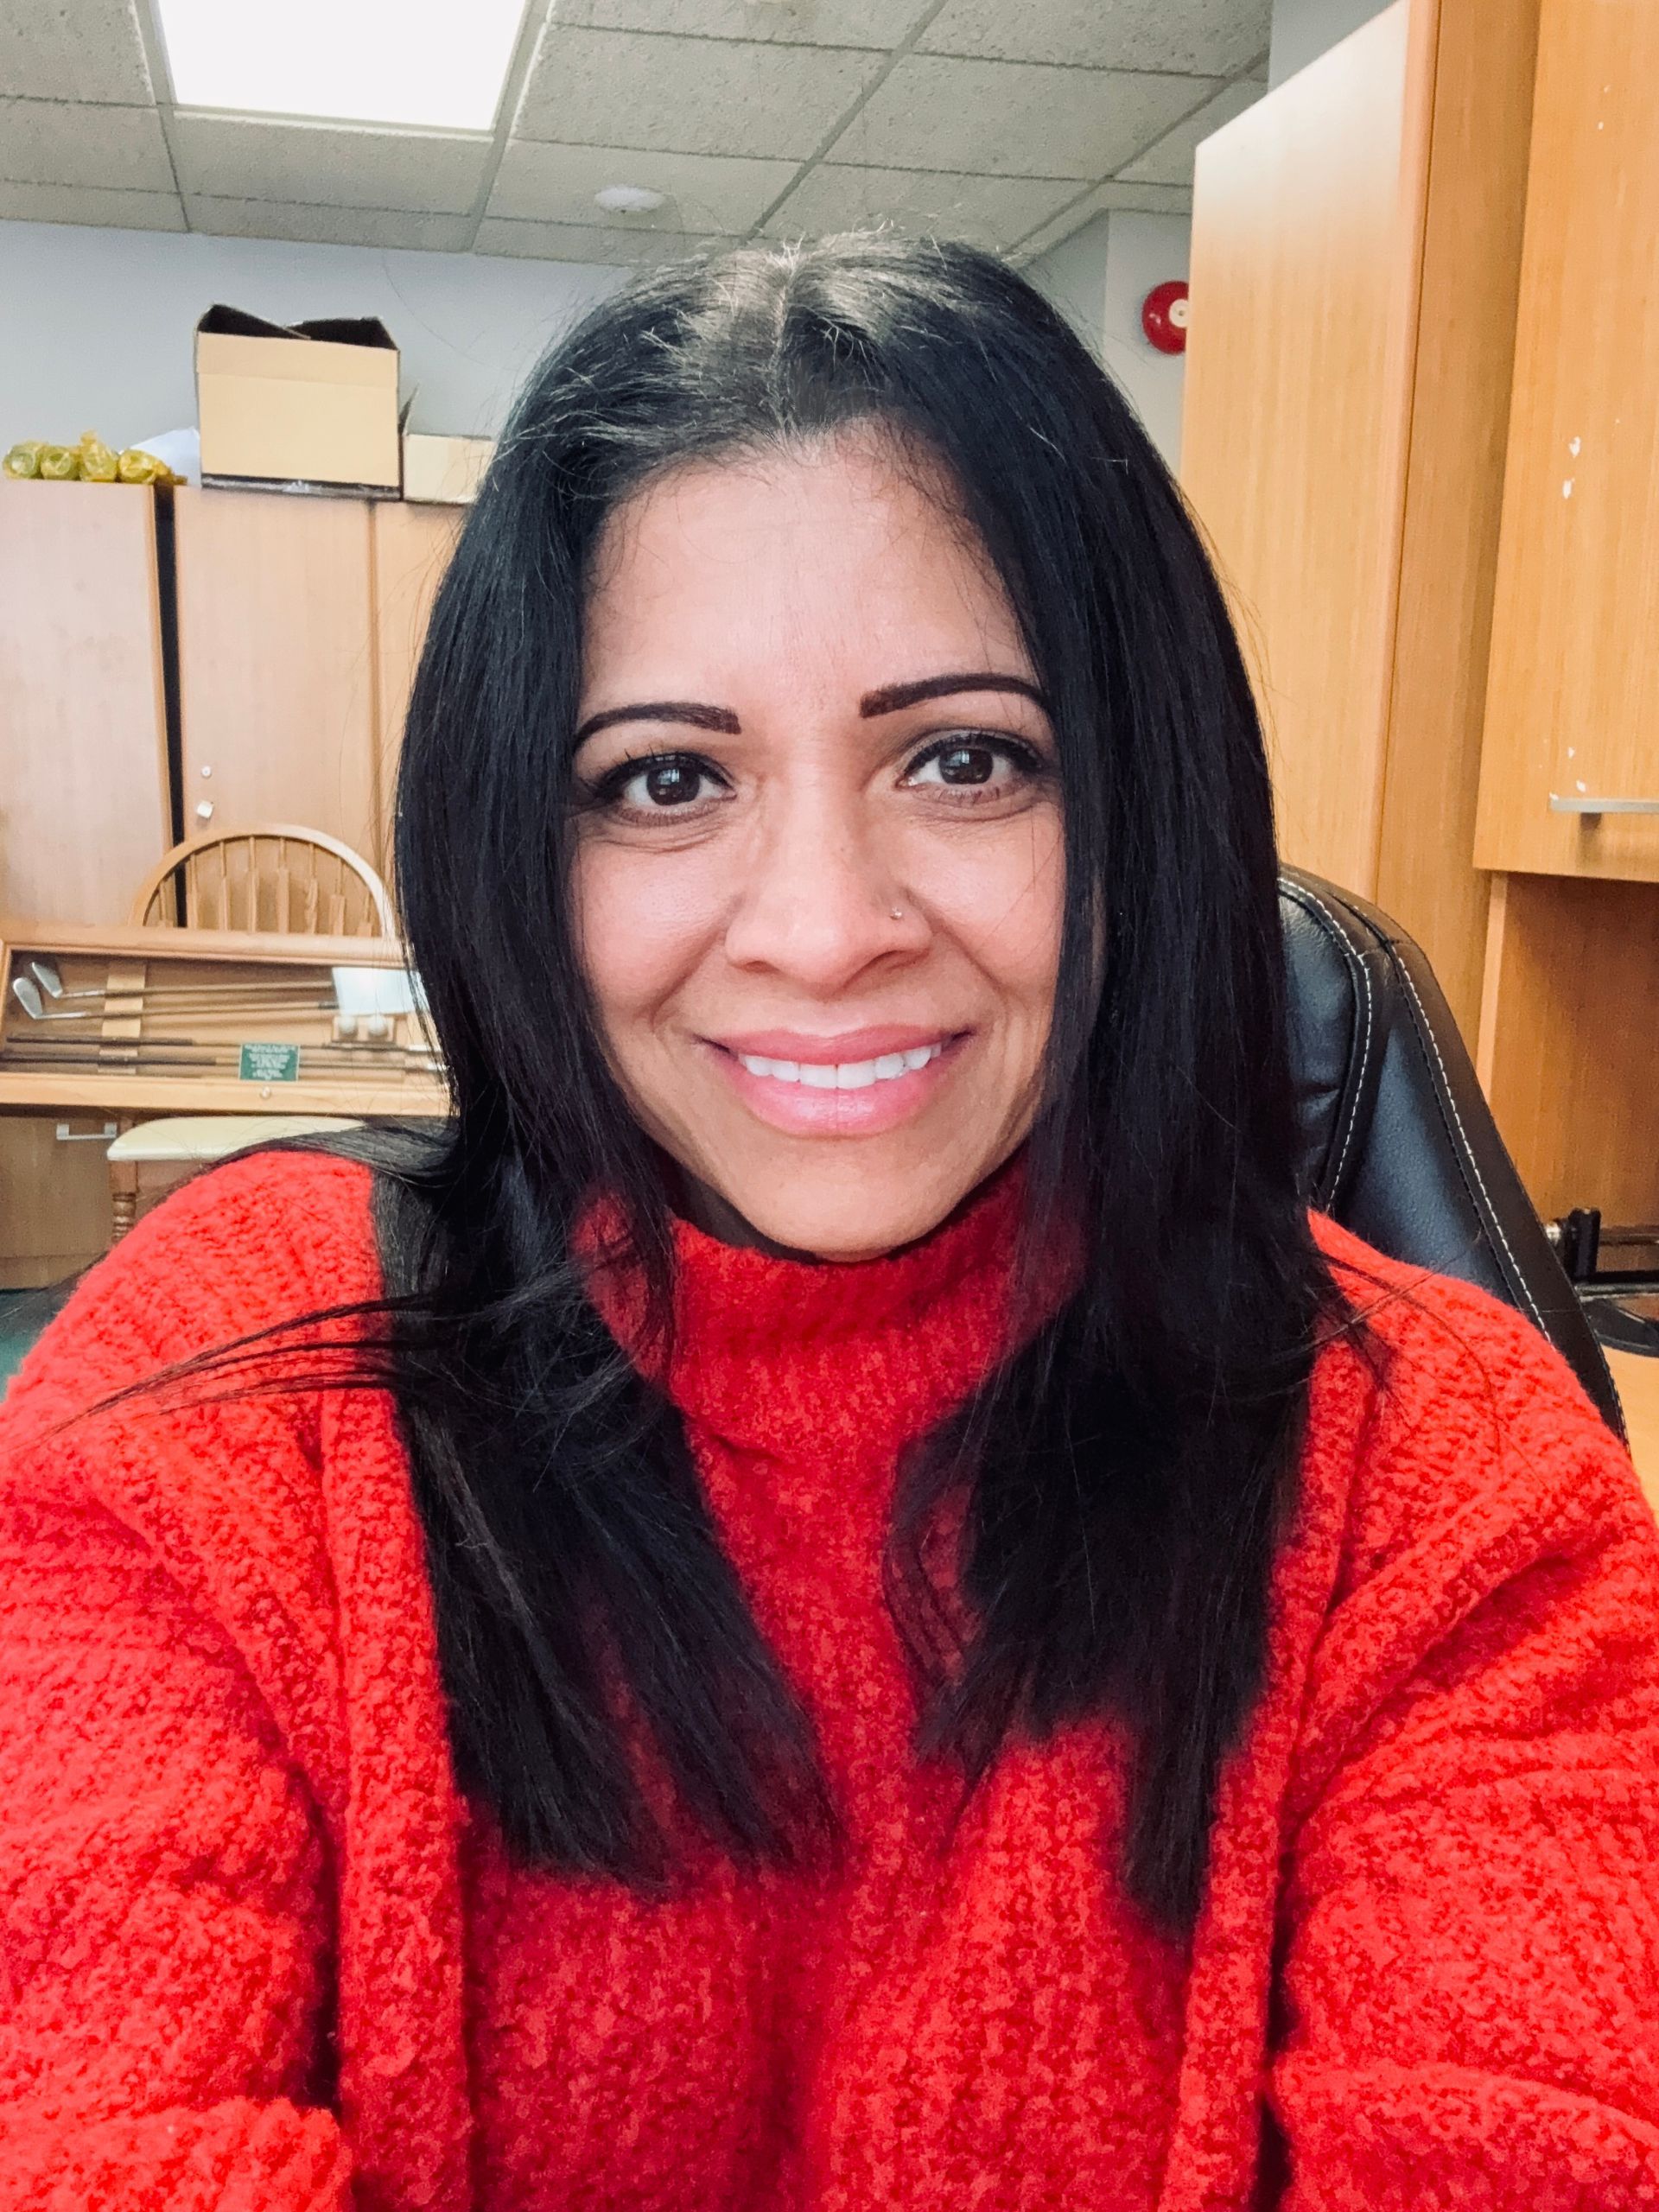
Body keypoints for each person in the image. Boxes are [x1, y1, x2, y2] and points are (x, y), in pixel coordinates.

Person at [1, 237, 1656, 2212]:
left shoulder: (1444, 1471)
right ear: (515, 838)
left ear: (1143, 803)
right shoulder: (228, 1386)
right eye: (665, 777)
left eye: (966, 758)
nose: (821, 926)